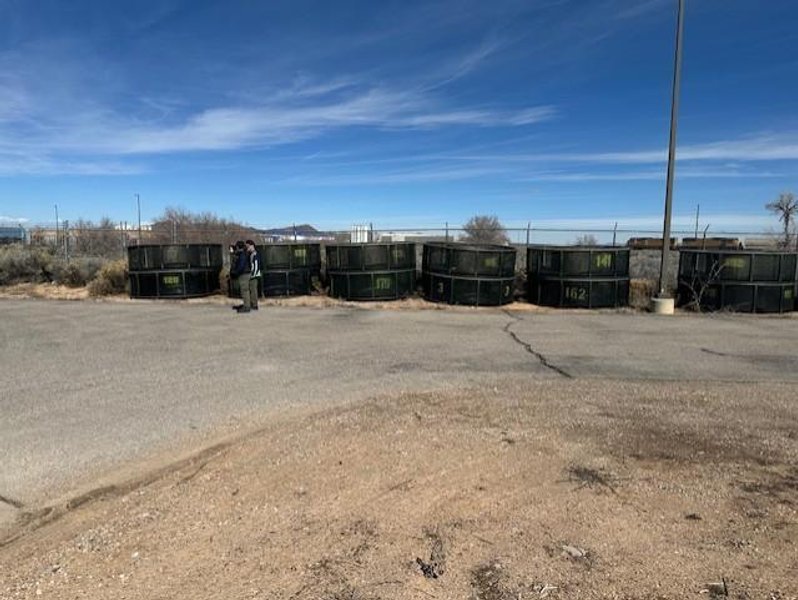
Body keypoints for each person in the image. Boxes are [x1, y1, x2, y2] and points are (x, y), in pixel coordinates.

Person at [229, 240, 251, 313]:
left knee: (244, 290)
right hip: (245, 273)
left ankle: (247, 306)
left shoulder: (242, 255)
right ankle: (246, 304)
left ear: (238, 247)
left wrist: (236, 272)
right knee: (244, 290)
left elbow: (241, 266)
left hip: (244, 274)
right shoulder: (244, 253)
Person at [244, 239, 262, 311]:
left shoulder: (255, 254)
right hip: (253, 274)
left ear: (252, 246)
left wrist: (253, 274)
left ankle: (254, 304)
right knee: (252, 289)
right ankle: (253, 303)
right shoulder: (251, 254)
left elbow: (256, 265)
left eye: (248, 246)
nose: (247, 248)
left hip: (254, 275)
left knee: (253, 290)